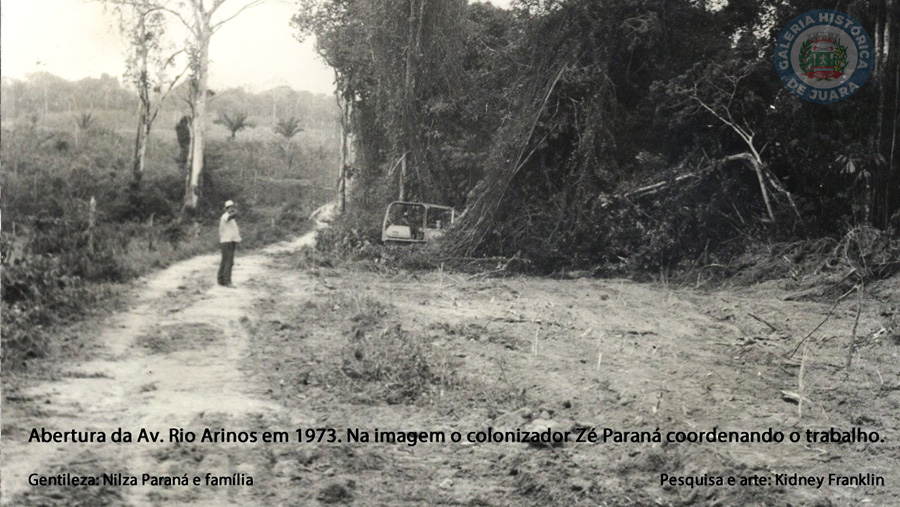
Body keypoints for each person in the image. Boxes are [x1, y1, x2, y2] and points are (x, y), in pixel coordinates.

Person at [218, 200, 241, 287]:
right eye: (231, 208)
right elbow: (233, 215)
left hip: (230, 240)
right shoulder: (225, 216)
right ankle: (227, 281)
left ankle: (220, 279)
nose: (232, 209)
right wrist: (236, 211)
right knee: (229, 261)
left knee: (225, 261)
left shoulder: (231, 218)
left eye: (233, 207)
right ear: (227, 209)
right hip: (227, 241)